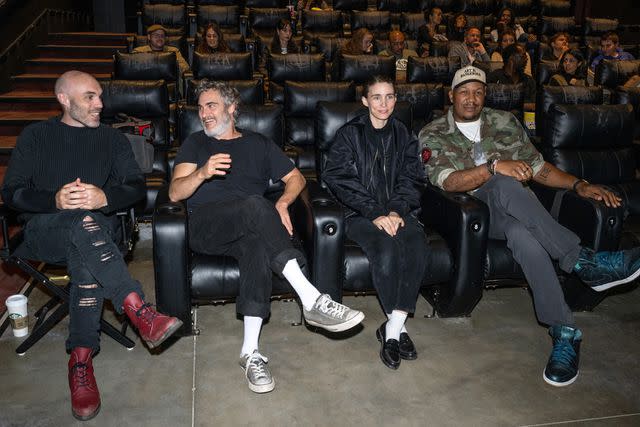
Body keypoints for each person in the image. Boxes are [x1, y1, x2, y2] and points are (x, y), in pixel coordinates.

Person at [419, 65, 640, 388]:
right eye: (464, 92)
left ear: (485, 95)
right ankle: (581, 260)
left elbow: (540, 170)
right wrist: (493, 168)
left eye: (478, 92)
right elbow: (449, 182)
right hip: (469, 215)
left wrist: (578, 184)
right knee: (506, 184)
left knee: (523, 235)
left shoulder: (505, 122)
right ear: (451, 96)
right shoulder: (433, 132)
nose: (471, 98)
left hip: (513, 214)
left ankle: (564, 331)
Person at [1, 71, 183, 421]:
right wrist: (54, 199)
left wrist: (104, 196)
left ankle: (80, 360)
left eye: (100, 96)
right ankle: (137, 308)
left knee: (87, 233)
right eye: (90, 97)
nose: (100, 104)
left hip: (98, 232)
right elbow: (11, 193)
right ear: (64, 100)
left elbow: (135, 188)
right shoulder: (36, 136)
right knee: (80, 223)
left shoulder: (112, 140)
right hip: (46, 231)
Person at [169, 80, 365, 394]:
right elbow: (175, 191)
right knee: (255, 205)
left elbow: (297, 177)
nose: (203, 113)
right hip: (207, 226)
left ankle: (250, 352)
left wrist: (284, 202)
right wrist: (202, 173)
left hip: (250, 225)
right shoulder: (195, 144)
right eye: (201, 107)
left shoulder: (259, 143)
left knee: (257, 247)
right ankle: (311, 298)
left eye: (211, 105)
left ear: (232, 108)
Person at [322, 75, 429, 370]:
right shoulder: (349, 134)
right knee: (386, 248)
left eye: (390, 97)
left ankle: (393, 328)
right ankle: (398, 329)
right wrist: (374, 213)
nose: (384, 104)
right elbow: (338, 178)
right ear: (366, 101)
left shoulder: (404, 134)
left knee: (417, 245)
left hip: (397, 212)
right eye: (377, 97)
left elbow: (413, 178)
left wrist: (395, 210)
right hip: (359, 214)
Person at [487, 43, 536, 111]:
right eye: (523, 56)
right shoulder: (494, 77)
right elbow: (488, 104)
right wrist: (521, 105)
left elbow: (532, 106)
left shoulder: (528, 80)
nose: (526, 59)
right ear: (511, 59)